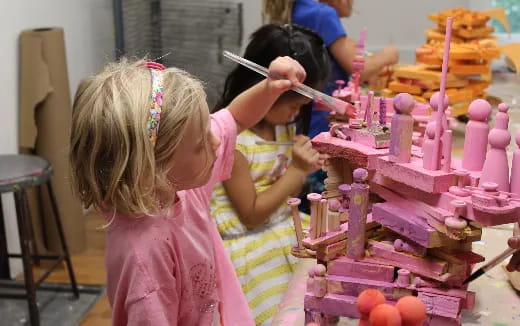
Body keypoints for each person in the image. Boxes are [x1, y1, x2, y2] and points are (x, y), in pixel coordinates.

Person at [69, 56, 306, 325]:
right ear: (153, 170)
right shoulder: (144, 259)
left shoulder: (180, 185)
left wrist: (270, 87)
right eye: (199, 144)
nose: (216, 140)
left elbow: (235, 118)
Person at [210, 24, 329, 325]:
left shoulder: (280, 124)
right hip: (248, 242)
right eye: (293, 105)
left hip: (282, 225)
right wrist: (298, 170)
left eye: (301, 106)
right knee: (281, 312)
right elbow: (251, 215)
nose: (295, 114)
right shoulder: (234, 142)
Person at [263, 0, 399, 196]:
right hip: (321, 124)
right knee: (326, 187)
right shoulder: (322, 14)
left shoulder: (298, 9)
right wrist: (388, 56)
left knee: (304, 183)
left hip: (300, 118)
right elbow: (361, 68)